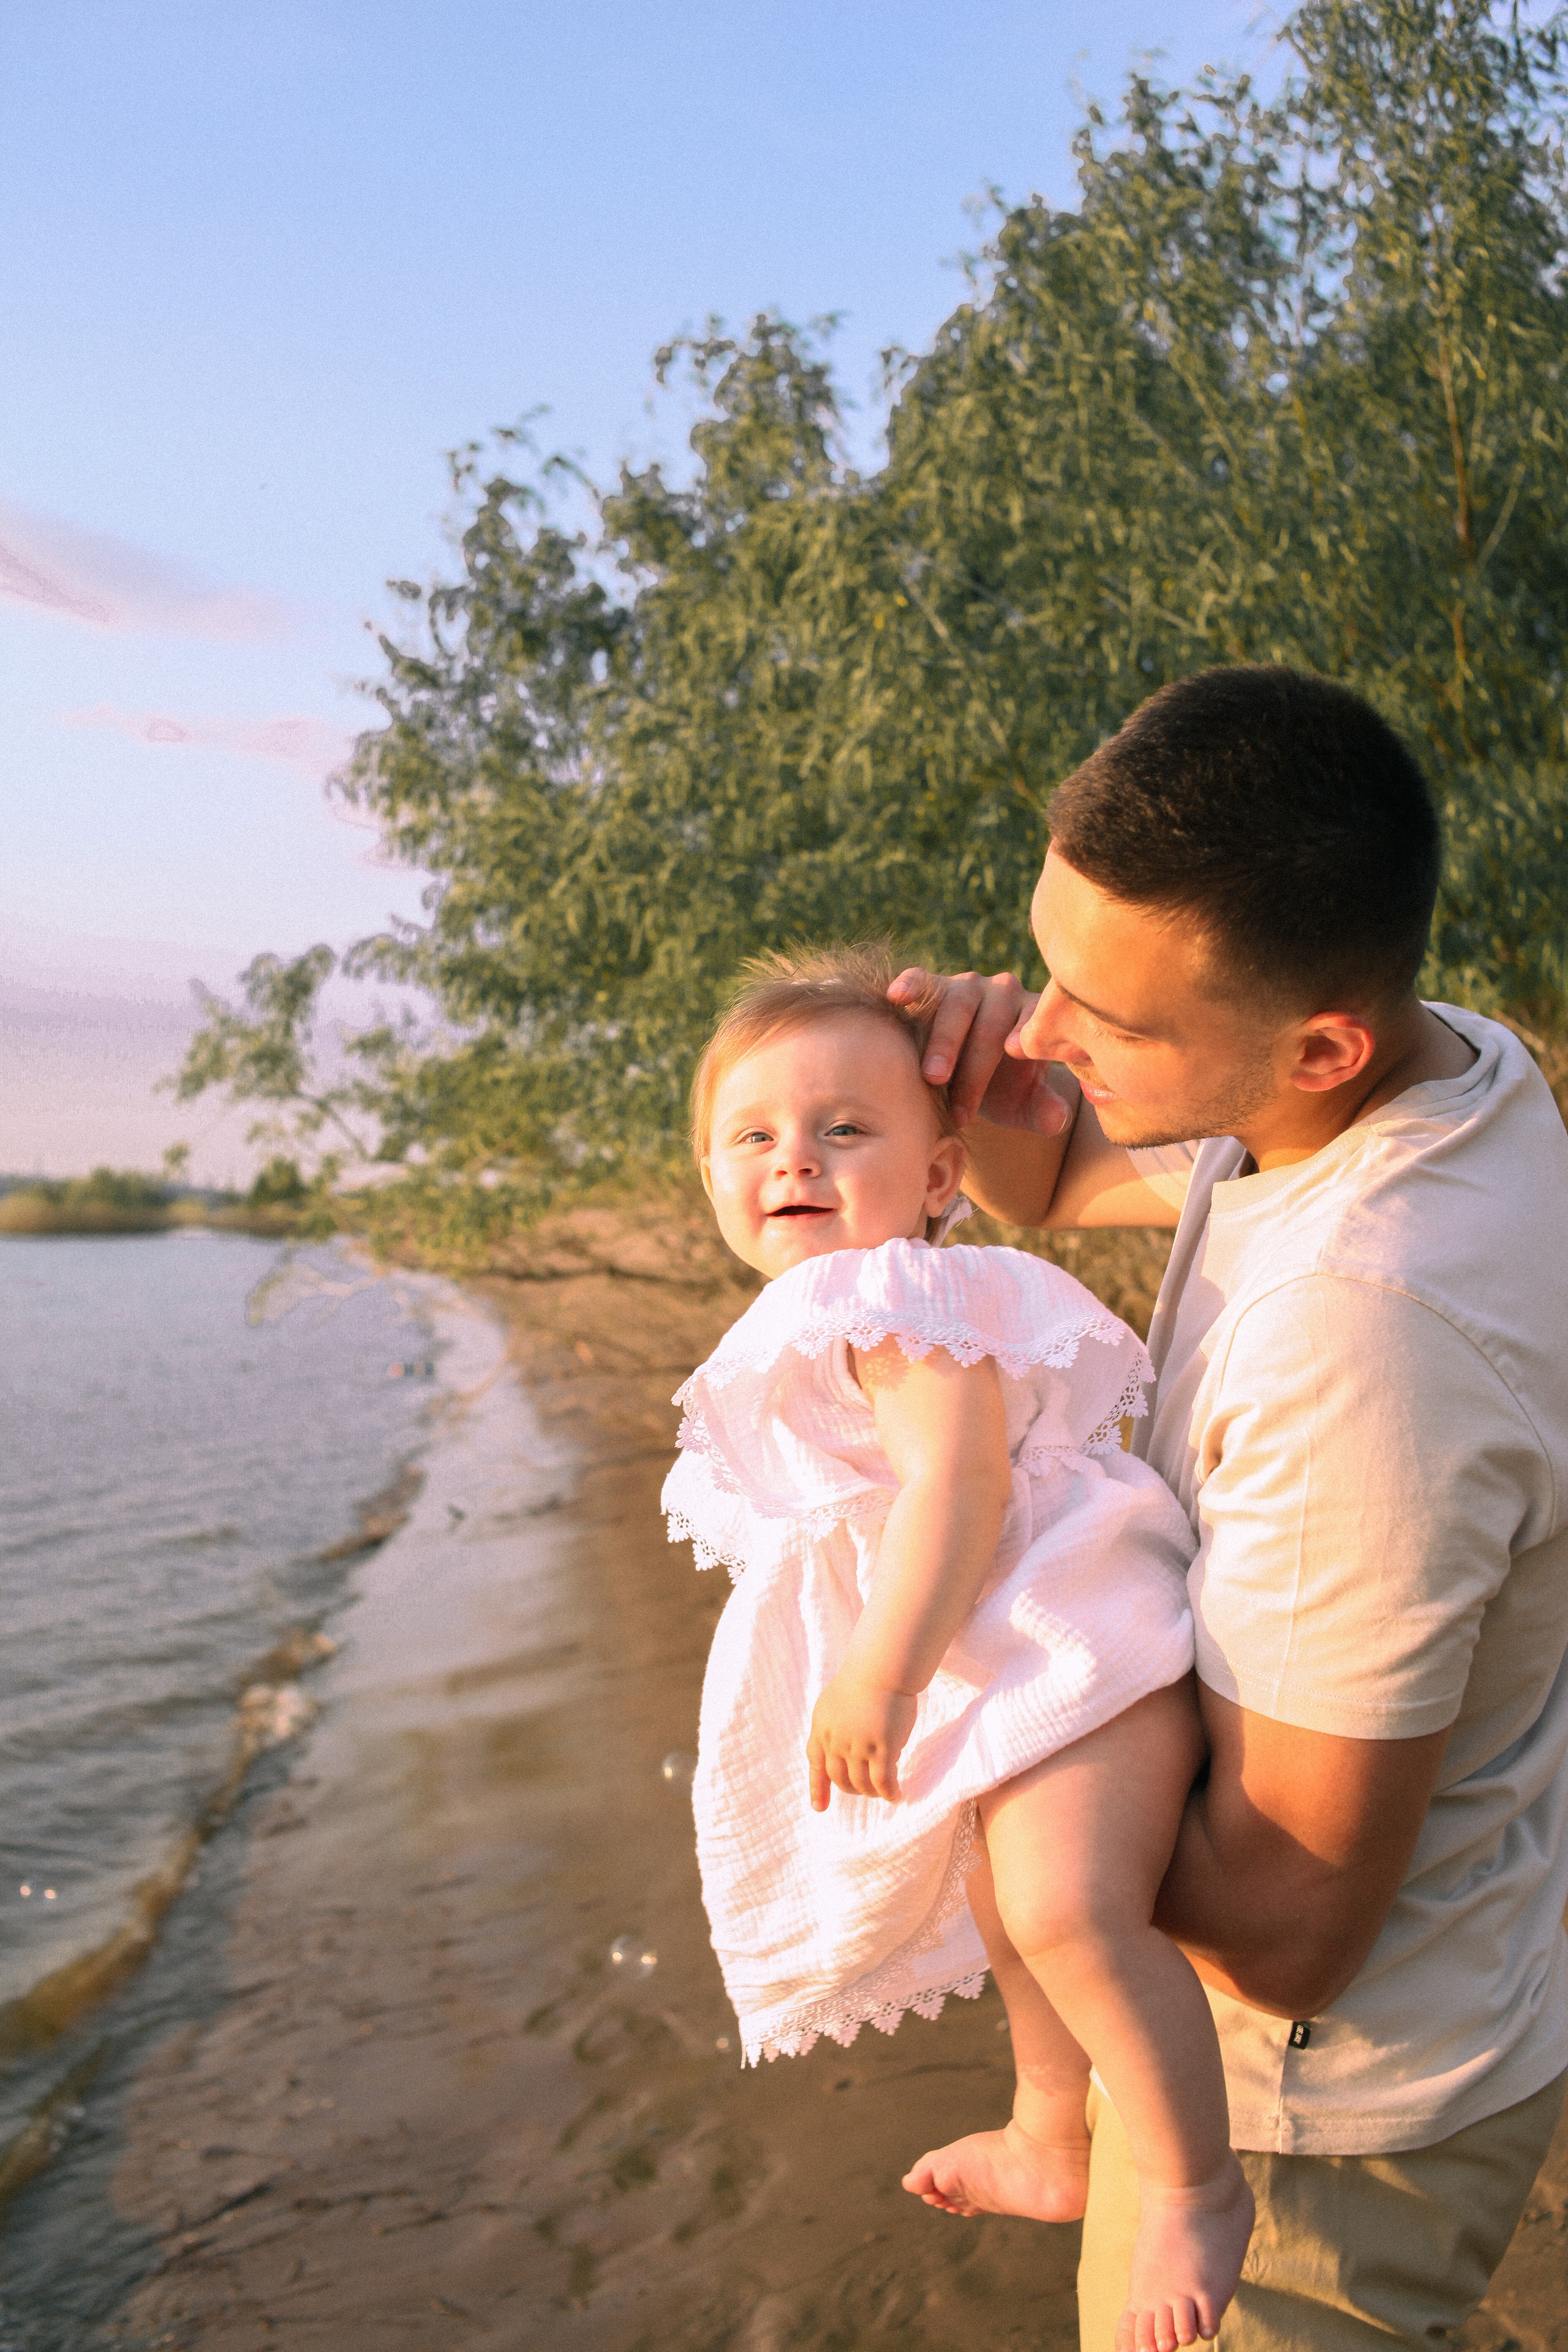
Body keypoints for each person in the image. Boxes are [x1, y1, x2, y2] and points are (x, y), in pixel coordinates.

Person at [889, 663, 1568, 2350]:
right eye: (1044, 965)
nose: (1044, 1030)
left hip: (1325, 2128)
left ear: (1315, 1041)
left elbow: (1286, 1930)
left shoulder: (1369, 1345)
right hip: (1288, 2060)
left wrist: (1000, 1761)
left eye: (1096, 1018)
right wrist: (985, 1083)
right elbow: (1062, 1169)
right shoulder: (1432, 1070)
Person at [665, 946, 1254, 2351]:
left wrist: (869, 1673)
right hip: (1015, 1643)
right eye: (751, 1136)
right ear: (710, 1178)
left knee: (1058, 1908)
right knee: (1007, 1901)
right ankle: (1054, 2135)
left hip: (1076, 1631)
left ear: (938, 1176)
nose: (791, 1158)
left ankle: (1192, 2181)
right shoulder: (834, 1304)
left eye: (841, 1129)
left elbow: (958, 1488)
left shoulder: (890, 1297)